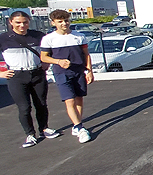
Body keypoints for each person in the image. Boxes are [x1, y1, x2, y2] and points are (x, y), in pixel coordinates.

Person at [1, 11, 59, 148]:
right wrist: (1, 73)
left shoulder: (38, 36)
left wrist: (47, 63)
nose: (22, 25)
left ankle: (44, 129)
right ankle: (30, 135)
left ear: (29, 21)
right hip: (16, 76)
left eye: (25, 22)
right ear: (11, 22)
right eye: (18, 23)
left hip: (37, 73)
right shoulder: (3, 39)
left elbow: (49, 51)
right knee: (24, 108)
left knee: (41, 104)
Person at [40, 9, 94, 144]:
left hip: (78, 71)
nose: (64, 23)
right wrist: (58, 61)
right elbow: (44, 57)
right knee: (69, 100)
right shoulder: (48, 39)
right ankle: (80, 128)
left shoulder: (79, 36)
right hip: (61, 73)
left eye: (66, 20)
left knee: (79, 99)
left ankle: (77, 124)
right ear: (53, 23)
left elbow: (86, 55)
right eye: (60, 21)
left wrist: (90, 71)